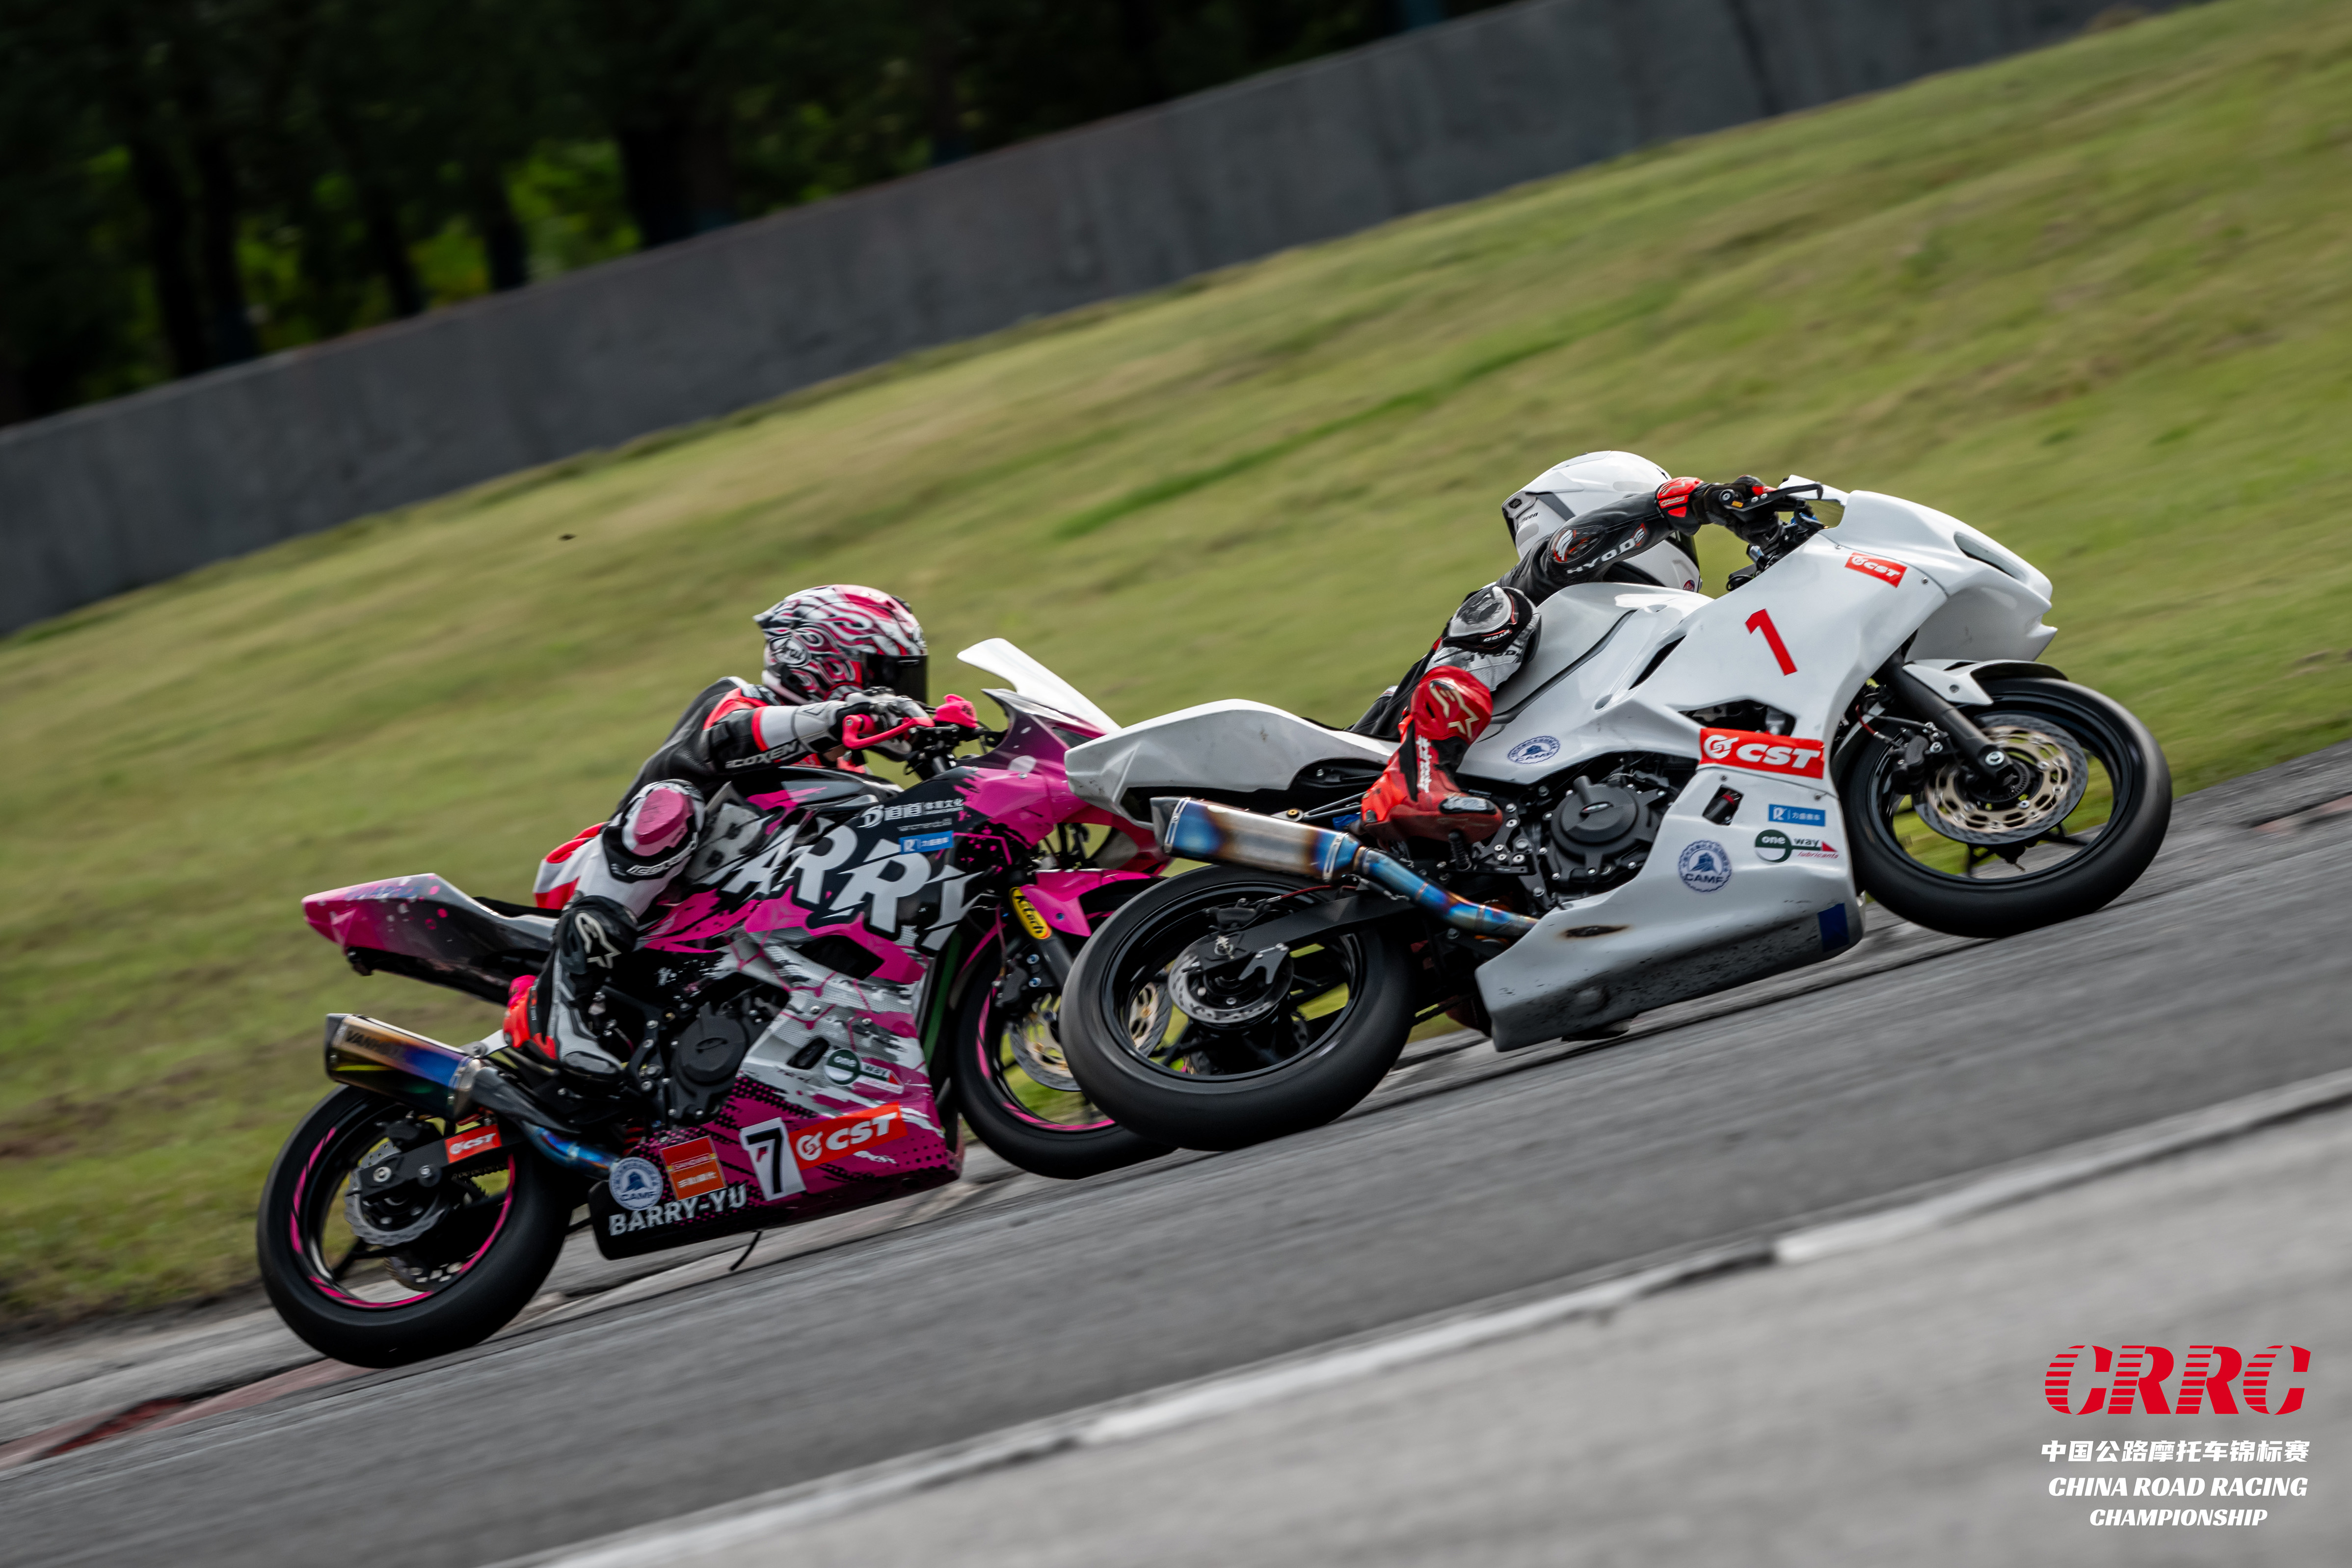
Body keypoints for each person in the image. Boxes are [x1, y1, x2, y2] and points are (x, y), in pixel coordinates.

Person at [515, 585, 933, 1094]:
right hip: (607, 881)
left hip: (724, 925)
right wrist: (836, 716)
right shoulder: (739, 704)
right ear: (817, 661)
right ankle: (558, 1006)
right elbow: (724, 742)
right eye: (886, 676)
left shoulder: (848, 770)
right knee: (670, 804)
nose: (898, 694)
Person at [1353, 452, 1783, 845]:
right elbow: (1565, 552)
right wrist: (1688, 503)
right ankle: (1414, 779)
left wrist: (1777, 546)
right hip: (1375, 753)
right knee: (1500, 610)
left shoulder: (1644, 635)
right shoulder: (1541, 588)